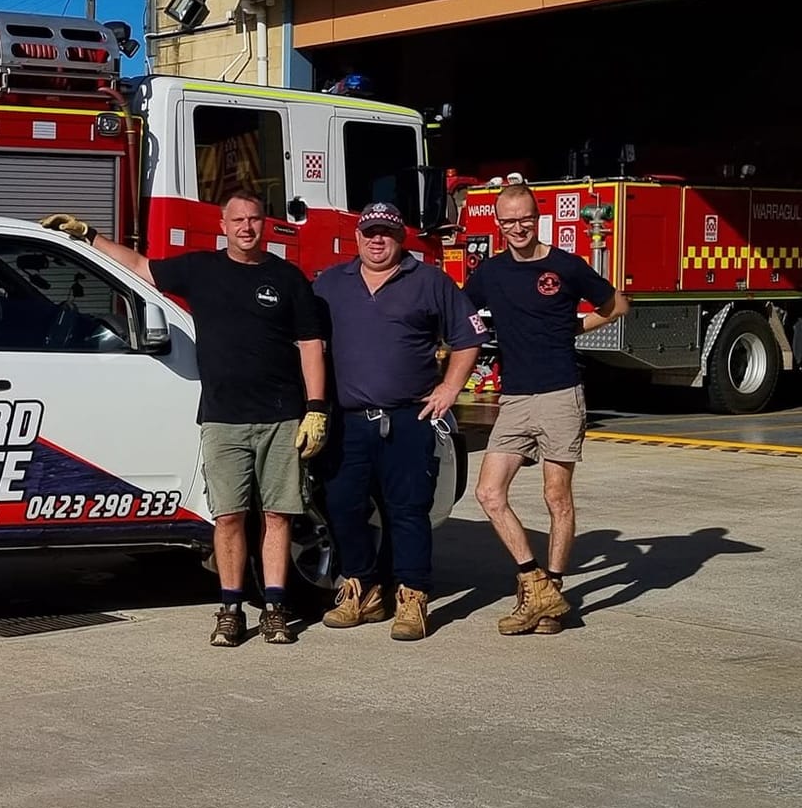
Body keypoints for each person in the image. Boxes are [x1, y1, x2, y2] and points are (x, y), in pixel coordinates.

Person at [41, 192, 329, 647]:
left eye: (254, 219)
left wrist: (316, 409)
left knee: (278, 516)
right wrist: (89, 235)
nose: (247, 227)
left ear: (265, 226)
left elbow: (311, 345)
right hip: (222, 419)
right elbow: (139, 267)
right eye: (238, 220)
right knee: (229, 517)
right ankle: (231, 609)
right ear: (223, 226)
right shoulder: (200, 270)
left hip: (281, 417)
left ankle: (275, 608)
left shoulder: (288, 278)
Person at [310, 202, 486, 642]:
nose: (376, 239)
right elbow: (304, 340)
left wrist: (449, 389)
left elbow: (468, 338)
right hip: (348, 420)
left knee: (408, 511)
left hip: (409, 418)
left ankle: (412, 596)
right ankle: (363, 589)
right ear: (357, 237)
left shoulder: (429, 281)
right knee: (343, 506)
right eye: (369, 232)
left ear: (400, 238)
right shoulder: (331, 284)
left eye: (386, 232)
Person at [466, 182, 633, 636]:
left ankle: (554, 596)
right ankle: (534, 582)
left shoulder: (565, 266)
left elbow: (619, 304)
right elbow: (463, 313)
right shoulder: (490, 273)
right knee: (488, 493)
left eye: (524, 219)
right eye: (508, 221)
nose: (517, 228)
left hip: (561, 393)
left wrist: (575, 326)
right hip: (515, 397)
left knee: (556, 496)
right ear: (497, 224)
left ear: (536, 219)